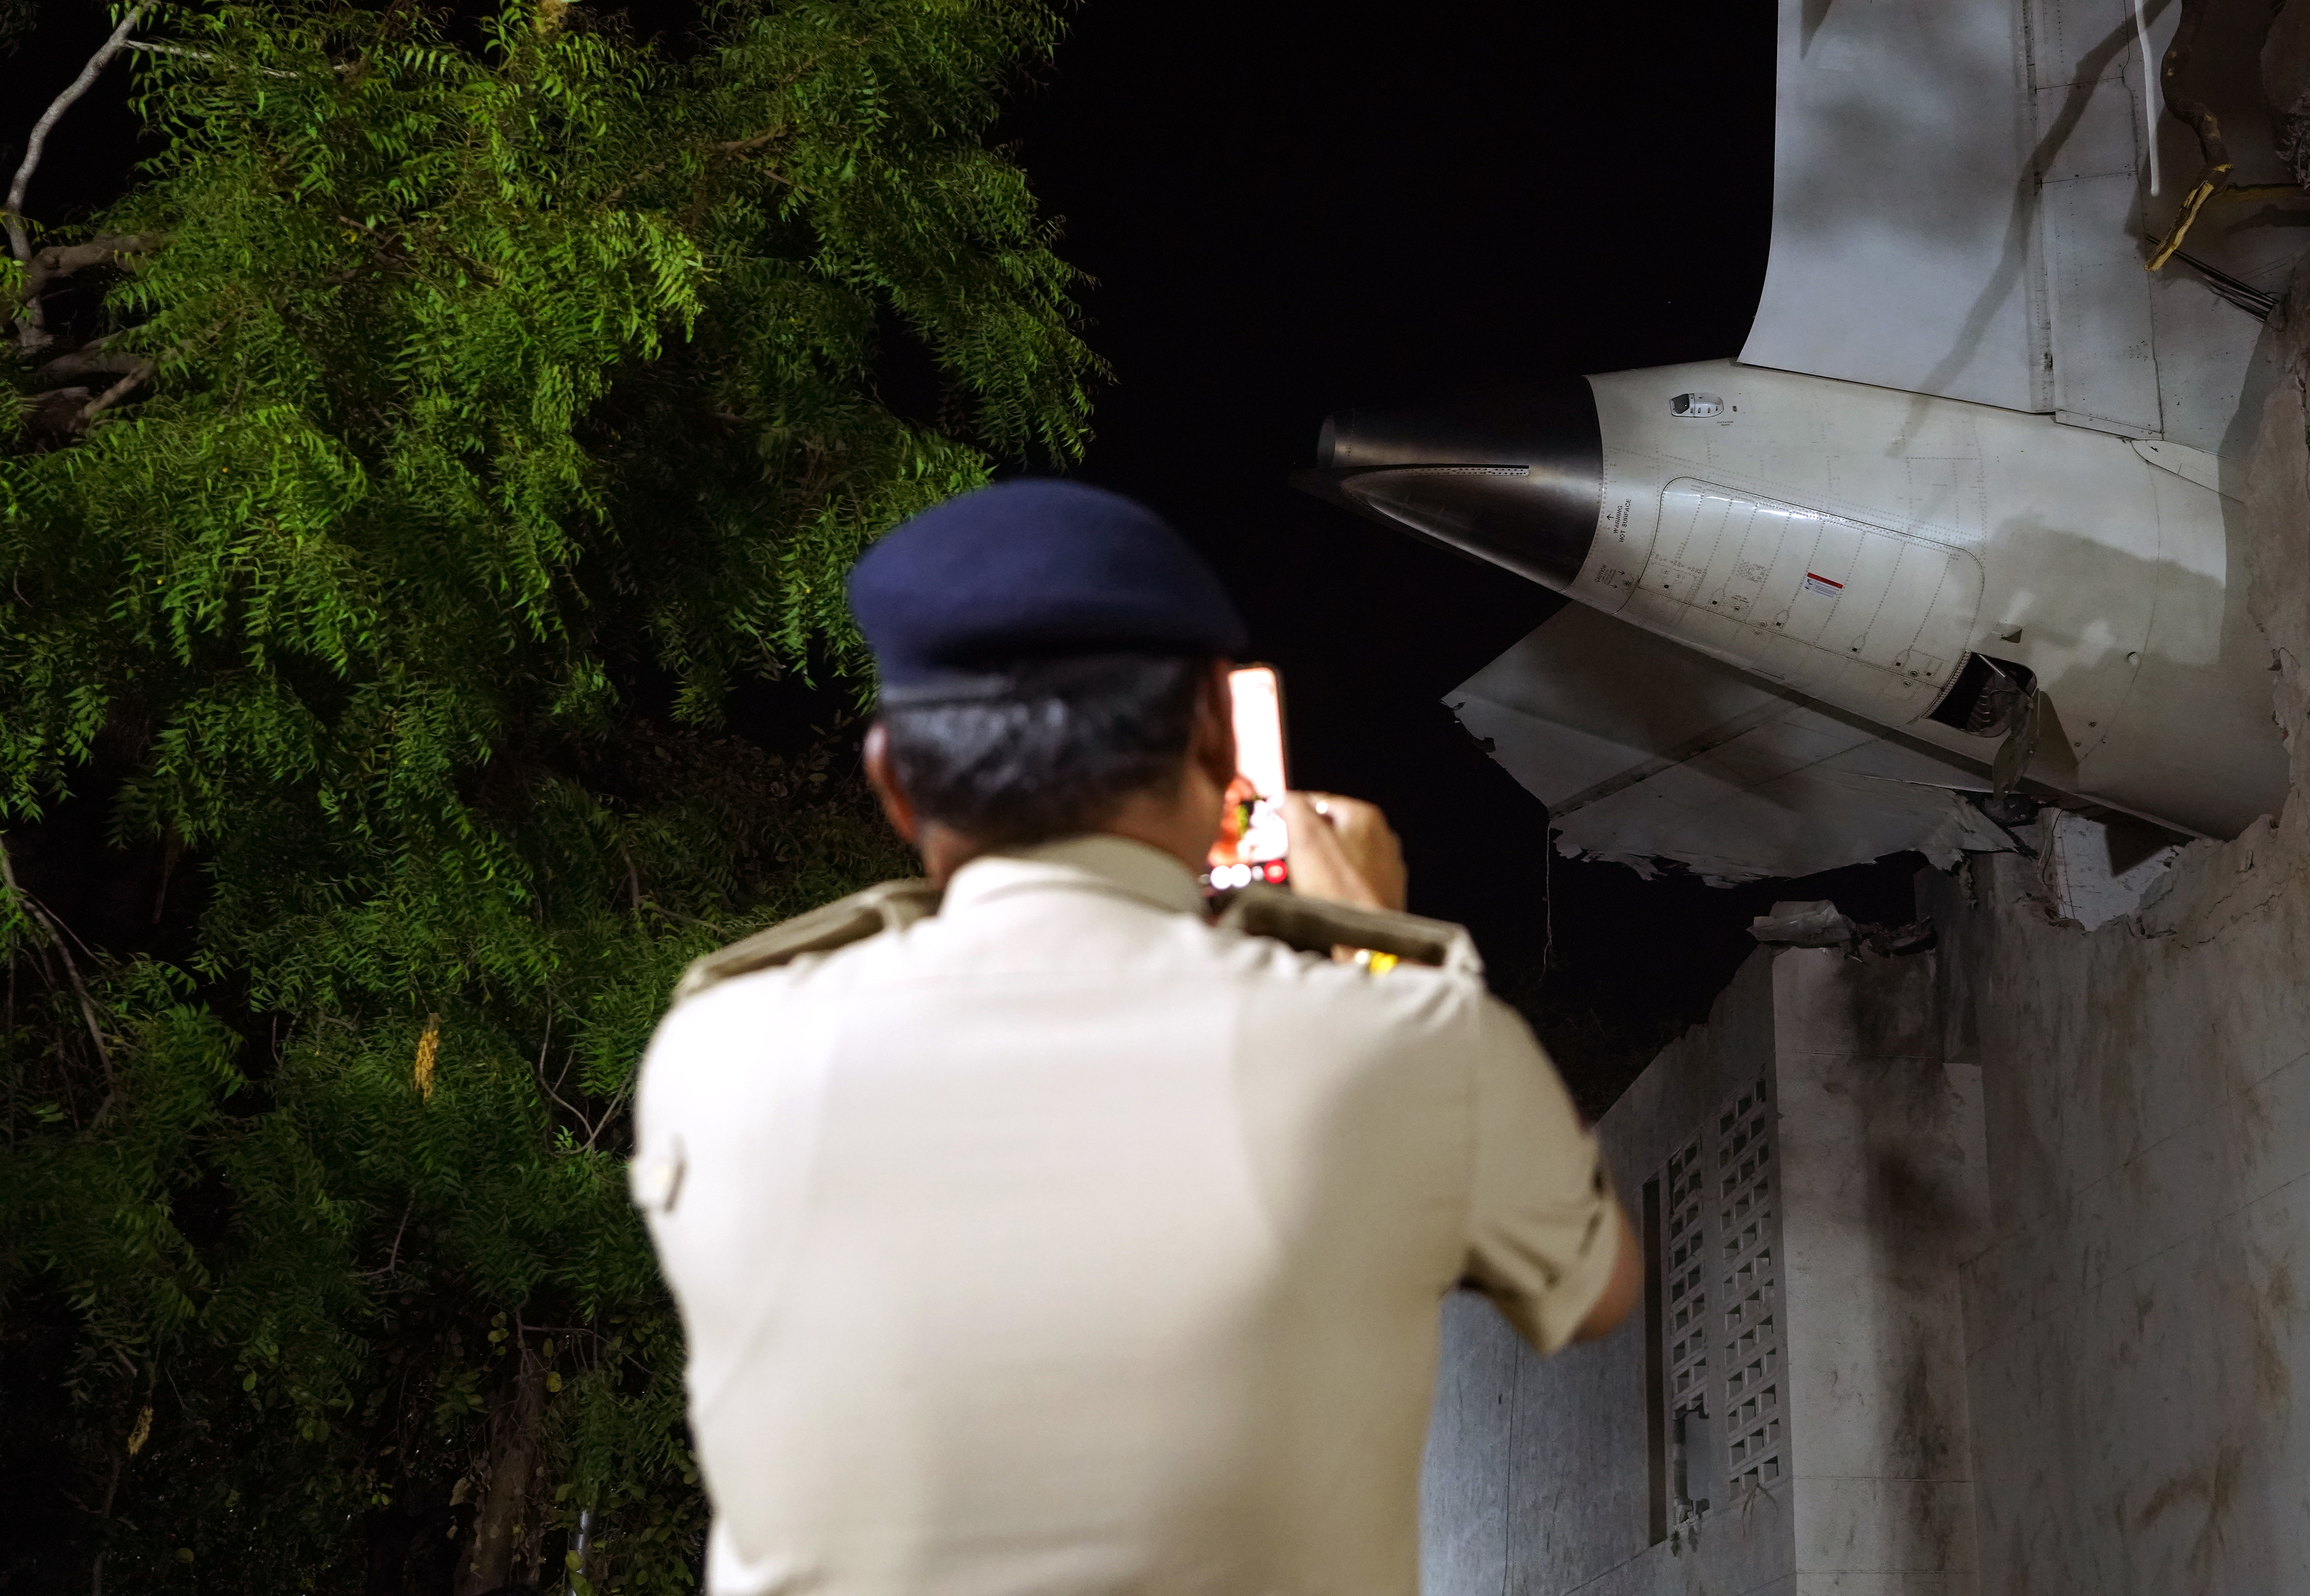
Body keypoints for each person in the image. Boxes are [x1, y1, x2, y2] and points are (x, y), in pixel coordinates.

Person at [628, 479, 1640, 1596]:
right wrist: (1377, 943)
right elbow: (1592, 1283)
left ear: (893, 781)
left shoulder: (713, 1055)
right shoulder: (1398, 1044)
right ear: (1217, 733)